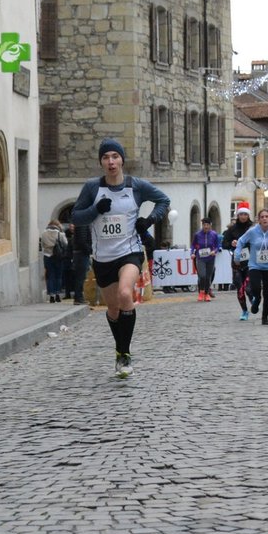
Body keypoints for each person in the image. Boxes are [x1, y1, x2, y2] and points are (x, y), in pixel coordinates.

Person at [68, 138, 170, 378]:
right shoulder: (92, 188)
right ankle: (120, 350)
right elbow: (76, 217)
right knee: (113, 309)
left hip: (129, 252)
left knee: (125, 294)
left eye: (115, 156)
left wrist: (149, 220)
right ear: (101, 162)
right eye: (106, 157)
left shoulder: (136, 186)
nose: (111, 162)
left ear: (122, 160)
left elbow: (163, 201)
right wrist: (95, 210)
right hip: (103, 258)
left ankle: (125, 354)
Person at [240, 208, 268, 325]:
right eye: (262, 217)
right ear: (259, 220)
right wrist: (237, 252)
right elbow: (241, 241)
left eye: (266, 216)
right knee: (256, 288)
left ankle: (265, 317)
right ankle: (257, 300)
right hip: (254, 265)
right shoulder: (252, 232)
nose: (264, 219)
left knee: (267, 293)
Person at [223, 203, 255, 318]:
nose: (243, 216)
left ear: (248, 215)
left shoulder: (253, 228)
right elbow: (224, 244)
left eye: (245, 214)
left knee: (248, 288)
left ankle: (252, 298)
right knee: (240, 288)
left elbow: (260, 241)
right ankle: (244, 311)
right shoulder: (232, 229)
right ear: (238, 215)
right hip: (237, 262)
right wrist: (231, 243)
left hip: (250, 262)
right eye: (241, 214)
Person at [191, 216, 221, 302]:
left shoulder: (214, 234)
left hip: (211, 258)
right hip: (200, 258)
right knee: (202, 275)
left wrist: (214, 251)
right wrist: (192, 253)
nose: (206, 227)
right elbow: (193, 245)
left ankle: (206, 294)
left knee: (208, 277)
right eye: (204, 225)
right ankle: (201, 292)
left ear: (210, 225)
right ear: (202, 225)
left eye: (207, 225)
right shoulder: (197, 235)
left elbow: (217, 245)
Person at [39, 219, 66, 303]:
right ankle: (58, 294)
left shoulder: (44, 233)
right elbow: (65, 244)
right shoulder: (60, 234)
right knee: (58, 276)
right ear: (58, 225)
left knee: (50, 276)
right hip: (58, 256)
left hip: (47, 256)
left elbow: (42, 245)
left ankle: (51, 296)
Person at [68, 219, 91, 304]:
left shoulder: (81, 224)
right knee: (80, 277)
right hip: (81, 254)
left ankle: (78, 297)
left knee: (80, 276)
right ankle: (78, 297)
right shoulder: (83, 224)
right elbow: (82, 241)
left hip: (79, 253)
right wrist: (89, 249)